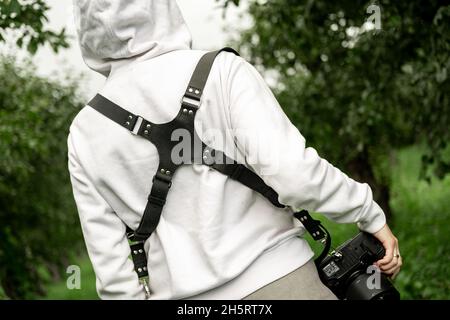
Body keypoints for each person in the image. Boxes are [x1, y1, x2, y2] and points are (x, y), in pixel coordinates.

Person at [68, 0, 402, 300]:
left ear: (85, 27)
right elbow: (295, 174)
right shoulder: (221, 71)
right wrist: (366, 211)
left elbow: (113, 275)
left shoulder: (84, 132)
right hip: (283, 282)